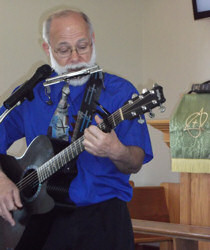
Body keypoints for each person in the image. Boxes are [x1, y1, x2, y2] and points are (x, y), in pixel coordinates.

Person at [0, 9, 153, 250]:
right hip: (38, 222)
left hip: (102, 220)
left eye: (83, 47)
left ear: (93, 40)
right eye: (63, 50)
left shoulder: (120, 92)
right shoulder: (31, 93)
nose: (75, 58)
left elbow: (134, 162)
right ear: (47, 49)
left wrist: (116, 151)